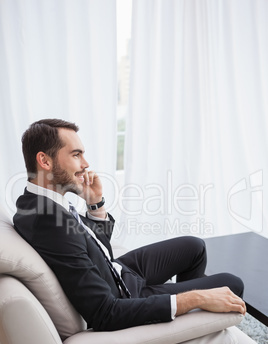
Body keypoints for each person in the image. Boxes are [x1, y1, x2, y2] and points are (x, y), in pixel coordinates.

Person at [13, 119, 246, 331]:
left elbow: (96, 249)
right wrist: (195, 298)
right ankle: (189, 321)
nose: (86, 163)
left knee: (194, 247)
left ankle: (194, 327)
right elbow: (104, 312)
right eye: (76, 155)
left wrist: (95, 204)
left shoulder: (36, 202)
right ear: (44, 160)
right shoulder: (49, 221)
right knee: (231, 283)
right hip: (126, 295)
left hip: (118, 271)